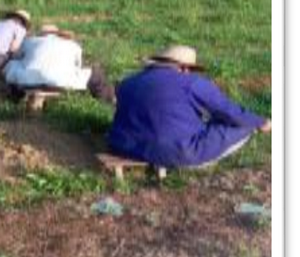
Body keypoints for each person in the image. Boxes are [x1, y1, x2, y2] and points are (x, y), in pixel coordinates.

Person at [107, 45, 272, 168]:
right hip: (174, 151)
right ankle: (258, 126)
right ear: (184, 68)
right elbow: (228, 111)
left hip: (121, 145)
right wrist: (259, 121)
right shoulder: (192, 83)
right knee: (242, 126)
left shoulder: (128, 82)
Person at [2, 25, 116, 102]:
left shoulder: (31, 41)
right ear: (59, 34)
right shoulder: (73, 45)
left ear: (41, 34)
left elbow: (18, 56)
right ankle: (108, 99)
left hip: (28, 81)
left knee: (13, 64)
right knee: (95, 73)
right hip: (63, 81)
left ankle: (16, 94)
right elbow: (78, 65)